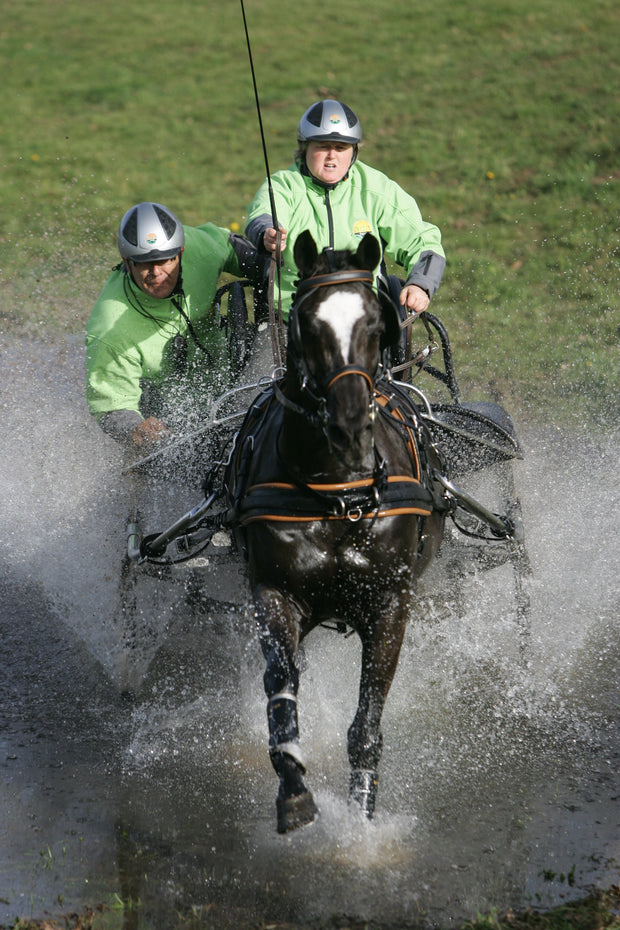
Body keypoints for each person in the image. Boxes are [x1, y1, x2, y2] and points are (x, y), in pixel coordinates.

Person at [245, 99, 446, 321]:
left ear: (353, 153)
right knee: (261, 358)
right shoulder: (283, 185)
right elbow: (264, 215)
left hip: (362, 321)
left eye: (341, 147)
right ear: (304, 148)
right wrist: (269, 233)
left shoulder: (377, 188)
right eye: (322, 146)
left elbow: (422, 241)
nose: (332, 155)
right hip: (292, 319)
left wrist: (420, 284)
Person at [85, 201, 259, 448]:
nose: (156, 273)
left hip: (232, 376)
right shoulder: (110, 327)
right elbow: (112, 405)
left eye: (165, 260)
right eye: (144, 263)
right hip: (167, 417)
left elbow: (234, 249)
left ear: (181, 253)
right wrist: (135, 428)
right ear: (127, 262)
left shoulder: (200, 251)